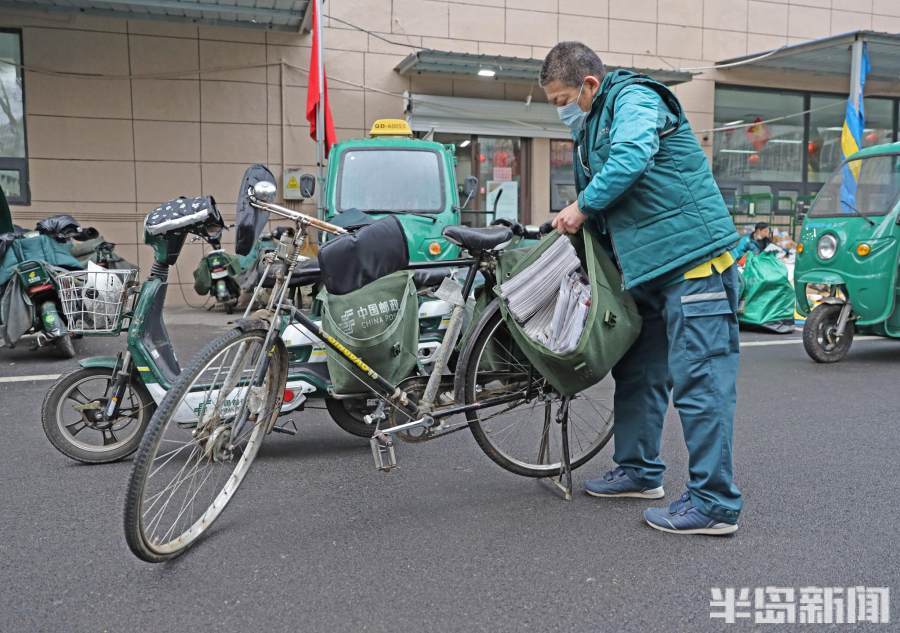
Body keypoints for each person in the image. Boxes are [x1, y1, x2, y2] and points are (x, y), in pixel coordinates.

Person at [540, 42, 742, 535]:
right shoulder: (592, 126)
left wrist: (581, 206)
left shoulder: (635, 100)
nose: (561, 111)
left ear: (589, 84)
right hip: (648, 274)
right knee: (637, 374)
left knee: (701, 382)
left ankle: (714, 505)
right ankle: (638, 471)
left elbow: (632, 157)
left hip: (695, 264)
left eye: (561, 98)